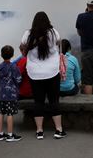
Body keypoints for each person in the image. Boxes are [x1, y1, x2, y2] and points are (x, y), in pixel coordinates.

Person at [21, 11, 66, 139]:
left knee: (38, 101)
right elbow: (58, 43)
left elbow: (23, 47)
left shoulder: (28, 34)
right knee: (54, 100)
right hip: (52, 71)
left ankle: (39, 131)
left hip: (34, 73)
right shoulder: (53, 33)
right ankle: (58, 129)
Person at [0, 45, 22, 142]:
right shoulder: (14, 67)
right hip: (11, 94)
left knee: (1, 113)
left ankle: (0, 134)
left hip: (2, 94)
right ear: (13, 55)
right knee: (10, 114)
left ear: (1, 55)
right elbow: (18, 79)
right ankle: (10, 135)